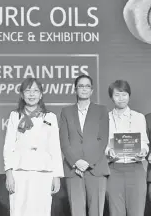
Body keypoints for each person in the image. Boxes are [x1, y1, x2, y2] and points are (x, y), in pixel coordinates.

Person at [3, 78, 64, 216]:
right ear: (22, 94)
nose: (32, 94)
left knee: (41, 211)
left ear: (41, 94)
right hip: (19, 171)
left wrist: (57, 176)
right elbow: (8, 145)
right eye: (28, 91)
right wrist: (8, 173)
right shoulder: (14, 116)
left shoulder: (50, 117)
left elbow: (55, 146)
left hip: (43, 171)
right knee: (18, 211)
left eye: (36, 91)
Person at [59, 74, 109, 216]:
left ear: (92, 91)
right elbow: (64, 141)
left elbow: (102, 140)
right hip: (73, 169)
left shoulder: (101, 110)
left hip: (96, 168)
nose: (84, 89)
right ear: (75, 89)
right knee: (76, 211)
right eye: (81, 86)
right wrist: (76, 162)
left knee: (96, 212)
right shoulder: (66, 112)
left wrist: (88, 162)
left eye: (87, 86)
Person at [105, 80, 149, 216]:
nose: (121, 98)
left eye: (124, 94)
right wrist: (108, 151)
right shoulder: (105, 119)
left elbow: (144, 142)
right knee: (115, 212)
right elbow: (102, 144)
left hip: (136, 169)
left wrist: (143, 151)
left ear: (129, 95)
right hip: (113, 169)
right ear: (111, 97)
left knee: (136, 212)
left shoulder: (139, 117)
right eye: (117, 95)